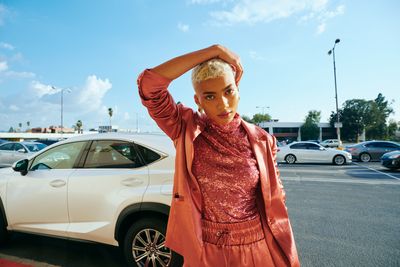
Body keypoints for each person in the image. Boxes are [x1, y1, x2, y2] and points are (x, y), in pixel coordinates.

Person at [137, 45, 300, 267]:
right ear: (198, 100)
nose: (222, 104)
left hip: (257, 248)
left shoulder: (263, 140)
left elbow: (276, 197)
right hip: (206, 250)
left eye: (228, 91)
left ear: (238, 90)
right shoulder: (184, 129)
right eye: (210, 96)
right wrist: (214, 50)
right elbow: (150, 85)